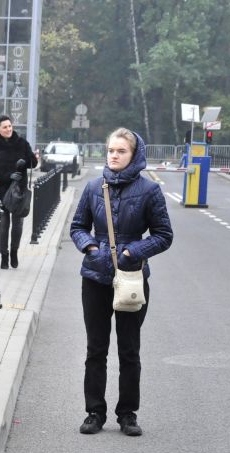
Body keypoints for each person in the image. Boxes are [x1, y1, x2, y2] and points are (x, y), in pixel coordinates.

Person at [69, 128, 173, 437]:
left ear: (134, 155)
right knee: (95, 349)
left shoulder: (149, 191)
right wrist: (90, 247)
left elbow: (164, 235)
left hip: (131, 279)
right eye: (111, 150)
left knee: (129, 350)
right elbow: (77, 227)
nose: (114, 155)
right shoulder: (92, 188)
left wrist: (133, 251)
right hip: (95, 278)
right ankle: (94, 412)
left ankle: (127, 413)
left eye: (121, 151)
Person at [0, 115, 37, 269]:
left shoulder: (22, 143)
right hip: (1, 192)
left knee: (18, 225)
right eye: (4, 127)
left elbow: (34, 162)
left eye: (9, 126)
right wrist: (7, 176)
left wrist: (25, 162)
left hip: (18, 191)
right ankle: (4, 255)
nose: (8, 129)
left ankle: (14, 251)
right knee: (2, 226)